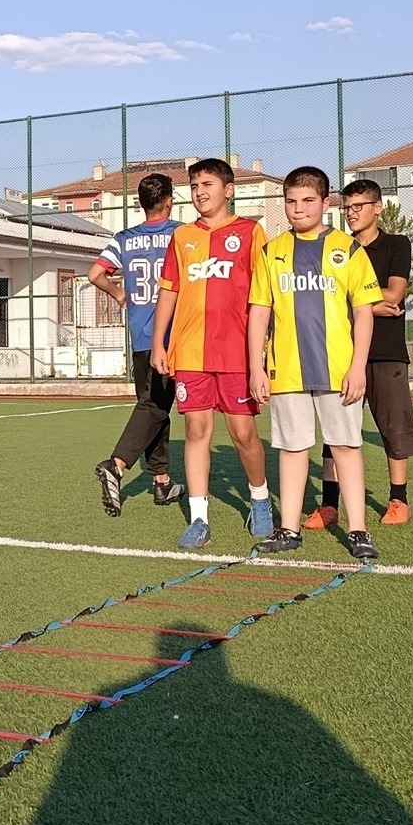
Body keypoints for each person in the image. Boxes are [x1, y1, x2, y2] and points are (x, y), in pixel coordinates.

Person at [248, 166, 384, 559]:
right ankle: (288, 529)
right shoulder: (271, 252)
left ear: (326, 203)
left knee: (345, 446)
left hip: (339, 371)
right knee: (291, 450)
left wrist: (358, 366)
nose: (298, 209)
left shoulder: (350, 250)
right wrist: (256, 366)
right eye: (290, 201)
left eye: (307, 201)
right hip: (286, 370)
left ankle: (358, 530)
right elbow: (259, 311)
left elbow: (364, 313)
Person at [150, 157, 272, 549]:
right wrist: (159, 342)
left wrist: (261, 356)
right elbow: (169, 289)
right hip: (189, 352)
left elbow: (264, 298)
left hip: (236, 353)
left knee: (243, 433)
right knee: (196, 431)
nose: (200, 192)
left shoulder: (252, 233)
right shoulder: (182, 236)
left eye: (208, 184)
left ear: (228, 189)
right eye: (195, 185)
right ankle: (199, 518)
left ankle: (260, 499)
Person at [306, 179, 413, 527]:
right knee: (335, 432)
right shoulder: (338, 247)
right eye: (347, 208)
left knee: (394, 427)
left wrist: (359, 303)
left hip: (386, 352)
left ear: (378, 207)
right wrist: (372, 304)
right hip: (341, 354)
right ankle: (329, 506)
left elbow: (395, 293)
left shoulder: (397, 244)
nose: (352, 214)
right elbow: (329, 299)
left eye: (358, 207)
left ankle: (398, 500)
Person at [89, 173, 185, 515]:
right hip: (173, 337)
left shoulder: (124, 238)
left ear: (139, 203)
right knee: (156, 406)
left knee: (154, 405)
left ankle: (161, 482)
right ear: (170, 199)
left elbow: (94, 274)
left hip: (141, 336)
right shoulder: (182, 234)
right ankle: (117, 465)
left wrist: (119, 294)